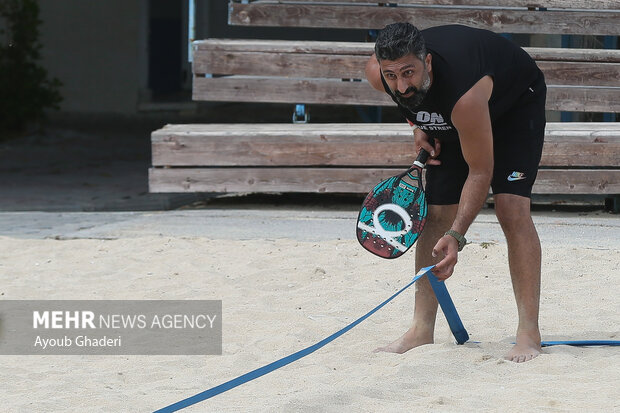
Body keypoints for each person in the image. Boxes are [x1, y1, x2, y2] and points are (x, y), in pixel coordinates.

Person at [365, 23, 547, 363]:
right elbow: (406, 96)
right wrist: (418, 126)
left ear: (428, 62)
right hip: (451, 112)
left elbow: (481, 171)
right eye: (392, 75)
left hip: (514, 105)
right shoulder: (380, 75)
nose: (401, 85)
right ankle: (421, 329)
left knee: (511, 209)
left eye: (409, 73)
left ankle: (528, 333)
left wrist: (457, 236)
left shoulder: (464, 95)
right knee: (435, 213)